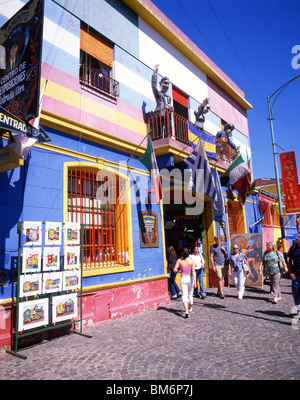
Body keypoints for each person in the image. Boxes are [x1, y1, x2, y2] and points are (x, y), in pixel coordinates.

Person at [174, 248, 196, 318]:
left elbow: (174, 270)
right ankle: (189, 307)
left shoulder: (179, 261)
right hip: (190, 278)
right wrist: (195, 282)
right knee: (190, 294)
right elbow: (193, 271)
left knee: (184, 295)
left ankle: (186, 310)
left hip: (183, 278)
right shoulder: (191, 261)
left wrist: (180, 269)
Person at [287, 234, 300, 314]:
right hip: (296, 275)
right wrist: (290, 272)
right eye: (297, 236)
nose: (297, 238)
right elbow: (289, 261)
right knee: (296, 294)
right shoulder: (293, 248)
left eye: (299, 237)